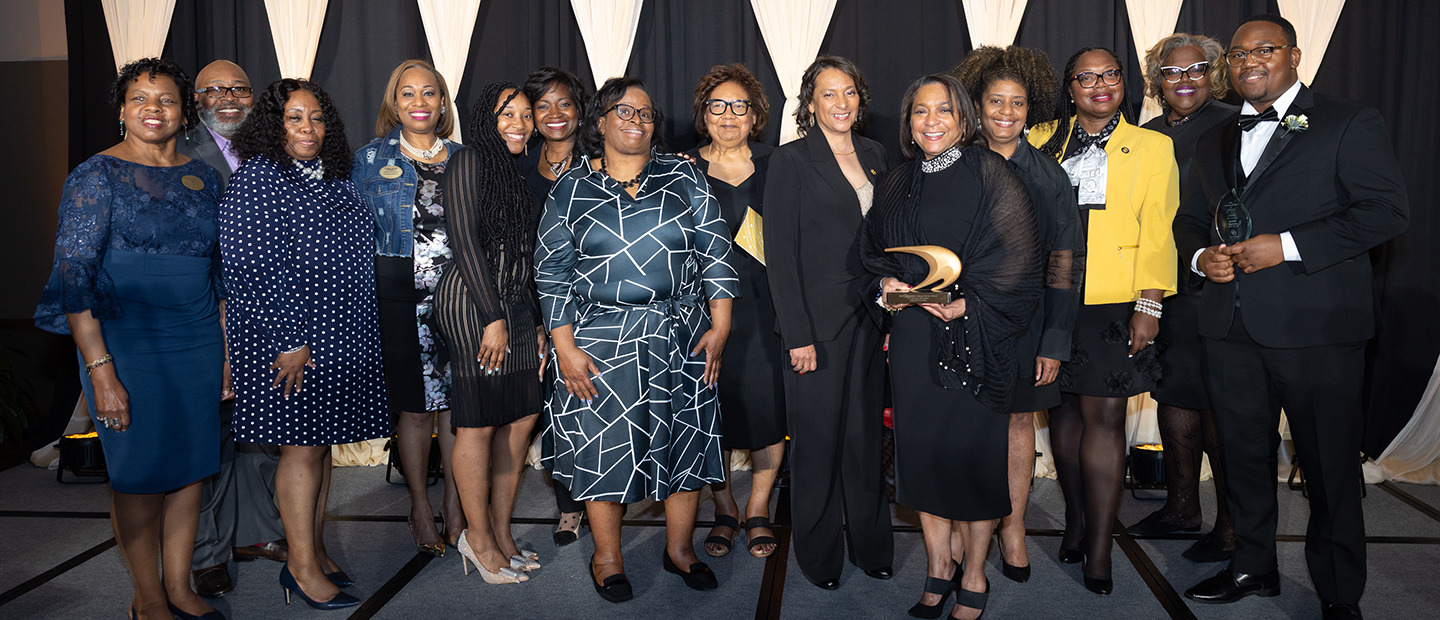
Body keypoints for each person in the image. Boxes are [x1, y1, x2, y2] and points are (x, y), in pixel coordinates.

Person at [1175, 15, 1408, 620]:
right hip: (1229, 328)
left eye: (1264, 49)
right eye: (1237, 53)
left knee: (1329, 470)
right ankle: (1253, 567)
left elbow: (1385, 211)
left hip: (1318, 330)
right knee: (1243, 460)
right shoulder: (1215, 137)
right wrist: (1203, 257)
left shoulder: (1348, 120)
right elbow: (1189, 222)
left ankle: (1338, 593)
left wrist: (1290, 245)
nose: (1248, 61)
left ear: (1295, 55)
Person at [35, 57, 226, 620]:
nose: (153, 109)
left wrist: (224, 355)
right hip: (126, 341)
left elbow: (220, 274)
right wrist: (101, 370)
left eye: (166, 99)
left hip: (196, 339)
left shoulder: (203, 176)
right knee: (139, 472)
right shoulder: (96, 174)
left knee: (192, 465)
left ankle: (180, 585)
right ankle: (147, 598)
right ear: (121, 110)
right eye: (140, 98)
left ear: (184, 111)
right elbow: (75, 275)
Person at [536, 76, 737, 603]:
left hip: (684, 335)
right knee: (605, 451)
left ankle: (680, 550)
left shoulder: (685, 178)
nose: (635, 122)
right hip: (598, 341)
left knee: (686, 444)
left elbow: (716, 253)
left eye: (645, 114)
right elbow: (551, 274)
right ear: (599, 122)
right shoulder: (570, 188)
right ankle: (607, 557)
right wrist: (564, 349)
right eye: (623, 112)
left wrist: (721, 325)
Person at [864, 73, 1042, 620]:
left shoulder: (994, 175)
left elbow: (1022, 260)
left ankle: (974, 574)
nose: (932, 121)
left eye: (943, 110)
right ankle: (938, 569)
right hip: (916, 339)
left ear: (964, 118)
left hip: (978, 337)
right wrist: (886, 286)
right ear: (908, 123)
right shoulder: (896, 182)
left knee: (970, 460)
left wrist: (970, 303)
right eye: (920, 111)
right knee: (924, 460)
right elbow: (873, 252)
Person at [220, 78, 389, 610]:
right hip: (290, 341)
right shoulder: (258, 180)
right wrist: (290, 340)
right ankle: (298, 565)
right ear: (274, 126)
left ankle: (312, 551)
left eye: (317, 118)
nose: (308, 128)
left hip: (339, 337)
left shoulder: (334, 180)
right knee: (300, 450)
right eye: (295, 118)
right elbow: (251, 268)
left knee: (318, 451)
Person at [1028, 46, 1180, 595]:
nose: (1099, 85)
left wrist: (1150, 301)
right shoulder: (1043, 138)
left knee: (1105, 420)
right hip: (1051, 296)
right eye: (1085, 77)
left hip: (1116, 301)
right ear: (1069, 87)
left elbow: (1160, 228)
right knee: (1063, 414)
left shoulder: (1152, 146)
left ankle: (1099, 547)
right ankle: (1075, 519)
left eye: (1109, 74)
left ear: (1124, 83)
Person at [953, 45, 1084, 585]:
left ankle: (1012, 527)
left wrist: (1054, 338)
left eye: (1018, 103)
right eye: (995, 101)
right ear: (976, 106)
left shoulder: (1048, 174)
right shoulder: (950, 163)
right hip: (958, 318)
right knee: (964, 426)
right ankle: (967, 531)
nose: (1006, 112)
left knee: (1014, 425)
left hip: (1027, 325)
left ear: (1031, 110)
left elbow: (1064, 262)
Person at [764, 55, 893, 591]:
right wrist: (798, 336)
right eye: (828, 94)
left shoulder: (877, 154)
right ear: (810, 103)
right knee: (817, 446)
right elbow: (781, 254)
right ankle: (819, 558)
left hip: (872, 322)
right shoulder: (791, 161)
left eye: (849, 93)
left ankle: (871, 547)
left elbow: (887, 238)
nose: (841, 104)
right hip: (815, 329)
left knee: (865, 442)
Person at [1127, 33, 1241, 563]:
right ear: (1157, 81)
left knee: (1221, 404)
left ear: (1213, 73)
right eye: (1172, 73)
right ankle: (1181, 507)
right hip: (1160, 284)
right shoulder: (1145, 135)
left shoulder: (1235, 124)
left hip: (1215, 282)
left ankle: (1233, 526)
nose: (1185, 80)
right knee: (1172, 396)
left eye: (1196, 69)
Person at [180, 58, 288, 601]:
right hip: (212, 316)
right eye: (214, 89)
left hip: (269, 316)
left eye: (239, 88)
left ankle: (256, 534)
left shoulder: (271, 148)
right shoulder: (180, 154)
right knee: (215, 442)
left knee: (263, 436)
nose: (228, 98)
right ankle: (208, 554)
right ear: (195, 98)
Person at [432, 82, 544, 585]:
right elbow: (464, 243)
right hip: (474, 306)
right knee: (477, 424)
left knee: (521, 420)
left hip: (517, 307)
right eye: (507, 114)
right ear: (485, 120)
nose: (519, 123)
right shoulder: (468, 162)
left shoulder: (515, 170)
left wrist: (535, 319)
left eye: (526, 114)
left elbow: (527, 255)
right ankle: (476, 539)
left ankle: (500, 531)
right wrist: (492, 317)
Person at [352, 59, 462, 559]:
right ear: (393, 104)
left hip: (461, 301)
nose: (419, 103)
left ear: (442, 103)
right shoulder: (368, 160)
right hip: (398, 300)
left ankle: (458, 507)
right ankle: (420, 505)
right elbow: (353, 242)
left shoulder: (465, 158)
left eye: (429, 93)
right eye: (408, 94)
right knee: (416, 412)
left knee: (460, 412)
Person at [683, 63, 784, 560]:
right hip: (702, 313)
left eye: (739, 106)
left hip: (768, 308)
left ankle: (760, 506)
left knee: (768, 410)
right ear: (703, 114)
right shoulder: (681, 169)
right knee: (711, 412)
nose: (728, 115)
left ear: (755, 115)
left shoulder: (779, 164)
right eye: (717, 106)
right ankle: (724, 507)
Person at [517, 66, 590, 547]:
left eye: (564, 103)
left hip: (591, 307)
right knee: (553, 411)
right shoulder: (518, 166)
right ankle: (569, 506)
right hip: (530, 308)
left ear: (581, 112)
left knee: (591, 405)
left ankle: (601, 495)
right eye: (542, 105)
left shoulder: (602, 164)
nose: (554, 114)